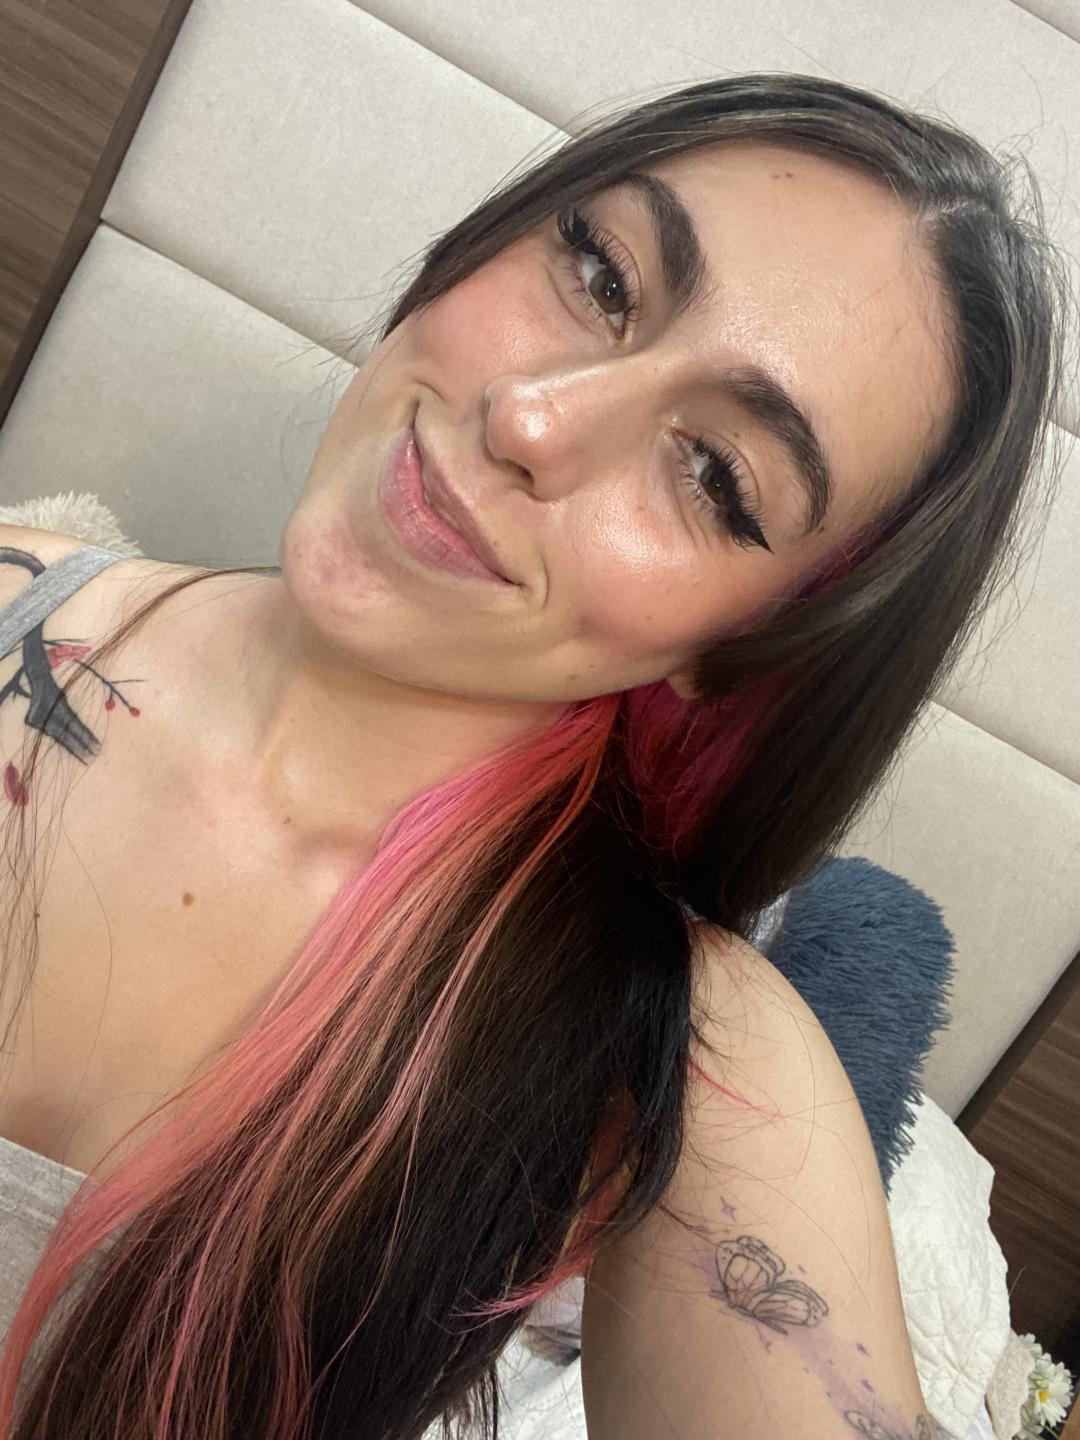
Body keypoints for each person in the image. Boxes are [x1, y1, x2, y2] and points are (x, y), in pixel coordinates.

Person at [0, 69, 1070, 1439]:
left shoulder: (681, 1051)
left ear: (739, 646)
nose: (531, 420)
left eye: (717, 476)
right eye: (602, 275)